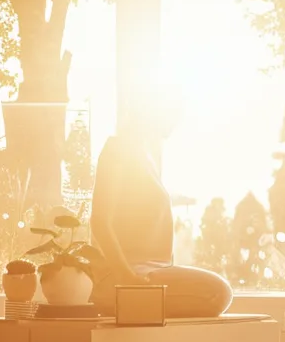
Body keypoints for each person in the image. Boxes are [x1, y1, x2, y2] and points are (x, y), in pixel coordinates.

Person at [89, 135, 234, 317]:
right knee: (216, 292)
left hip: (147, 272)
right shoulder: (118, 148)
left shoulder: (146, 151)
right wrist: (126, 278)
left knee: (218, 292)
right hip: (124, 279)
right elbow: (100, 221)